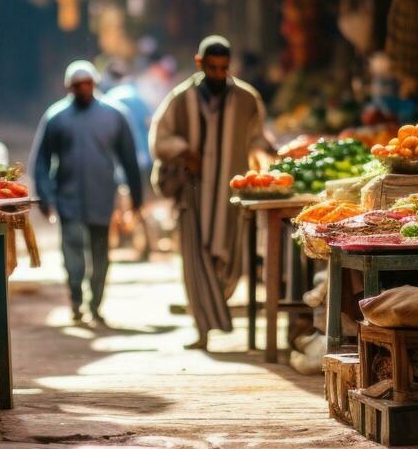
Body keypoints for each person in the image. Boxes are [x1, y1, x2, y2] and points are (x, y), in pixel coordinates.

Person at [150, 35, 270, 349]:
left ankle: (215, 311)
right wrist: (183, 151)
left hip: (231, 196)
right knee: (195, 262)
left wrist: (275, 156)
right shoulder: (180, 99)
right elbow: (160, 139)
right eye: (212, 68)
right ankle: (203, 329)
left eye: (223, 68)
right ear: (199, 63)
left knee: (232, 262)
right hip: (193, 194)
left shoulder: (246, 98)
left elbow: (258, 138)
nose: (218, 74)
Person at [32, 60, 144, 324]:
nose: (83, 89)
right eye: (77, 85)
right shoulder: (56, 117)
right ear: (68, 87)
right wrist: (45, 196)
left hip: (102, 196)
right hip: (68, 197)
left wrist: (136, 198)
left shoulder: (114, 115)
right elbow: (42, 160)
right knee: (72, 251)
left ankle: (95, 304)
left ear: (94, 84)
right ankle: (76, 300)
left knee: (100, 253)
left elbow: (129, 159)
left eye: (87, 84)